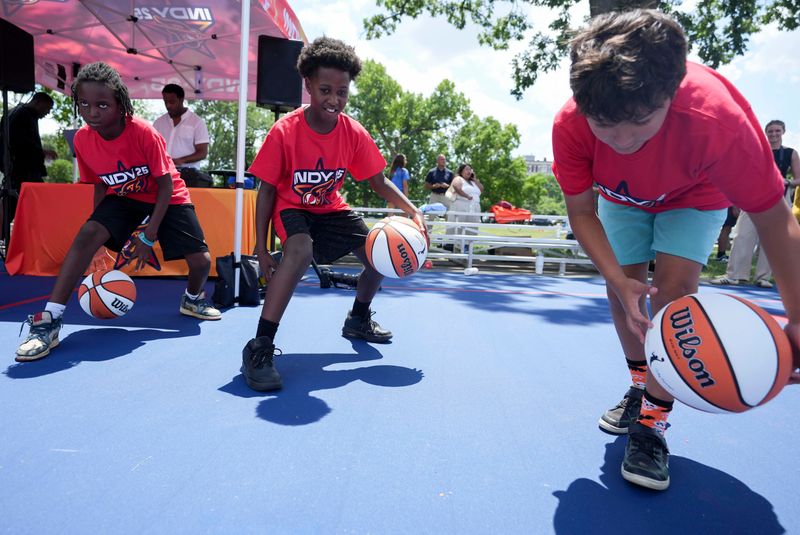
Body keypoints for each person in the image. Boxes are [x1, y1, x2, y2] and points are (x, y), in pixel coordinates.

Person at [552, 9, 800, 491]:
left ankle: (651, 424)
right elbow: (582, 214)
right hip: (620, 200)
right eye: (605, 125)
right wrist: (618, 279)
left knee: (674, 294)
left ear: (671, 91)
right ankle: (641, 382)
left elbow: (773, 217)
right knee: (622, 289)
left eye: (640, 122)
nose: (622, 141)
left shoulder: (718, 119)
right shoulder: (570, 124)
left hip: (696, 195)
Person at [241, 37, 426, 392]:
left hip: (330, 207)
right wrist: (261, 251)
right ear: (308, 85)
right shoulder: (285, 132)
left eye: (342, 92)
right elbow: (265, 191)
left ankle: (357, 319)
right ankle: (260, 346)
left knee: (378, 253)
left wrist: (413, 211)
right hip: (291, 206)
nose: (334, 99)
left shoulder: (352, 133)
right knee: (299, 251)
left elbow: (378, 181)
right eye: (325, 90)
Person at [15, 62, 221, 363]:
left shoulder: (143, 132)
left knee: (201, 262)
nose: (92, 112)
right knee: (86, 233)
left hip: (167, 194)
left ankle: (192, 299)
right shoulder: (84, 139)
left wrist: (149, 237)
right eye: (84, 104)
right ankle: (49, 320)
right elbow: (99, 185)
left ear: (120, 103)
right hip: (125, 196)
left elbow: (165, 185)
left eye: (102, 105)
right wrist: (98, 237)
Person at [711, 120, 800, 288]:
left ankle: (763, 277)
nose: (774, 134)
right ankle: (735, 274)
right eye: (770, 131)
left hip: (779, 198)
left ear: (783, 132)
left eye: (777, 131)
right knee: (742, 235)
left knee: (772, 239)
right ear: (766, 133)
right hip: (754, 196)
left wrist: (787, 182)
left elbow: (798, 178)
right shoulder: (757, 151)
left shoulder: (790, 153)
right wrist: (737, 200)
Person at [0, 92, 56, 239]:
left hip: (16, 171)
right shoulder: (24, 115)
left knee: (10, 211)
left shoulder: (14, 112)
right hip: (24, 172)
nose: (47, 113)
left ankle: (27, 241)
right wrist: (42, 151)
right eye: (47, 108)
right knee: (40, 207)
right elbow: (19, 143)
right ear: (38, 102)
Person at [152, 84, 213, 188]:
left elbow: (202, 153)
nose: (168, 106)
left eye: (172, 102)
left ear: (181, 100)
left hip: (188, 177)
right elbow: (152, 148)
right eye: (165, 102)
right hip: (163, 174)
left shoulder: (197, 122)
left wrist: (181, 160)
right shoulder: (158, 123)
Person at [446, 163, 484, 251]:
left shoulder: (473, 182)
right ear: (461, 171)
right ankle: (454, 247)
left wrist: (475, 179)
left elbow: (481, 189)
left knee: (471, 228)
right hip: (462, 206)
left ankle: (467, 247)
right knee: (459, 227)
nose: (469, 171)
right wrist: (466, 196)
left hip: (474, 208)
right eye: (466, 169)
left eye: (470, 169)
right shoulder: (458, 179)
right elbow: (456, 187)